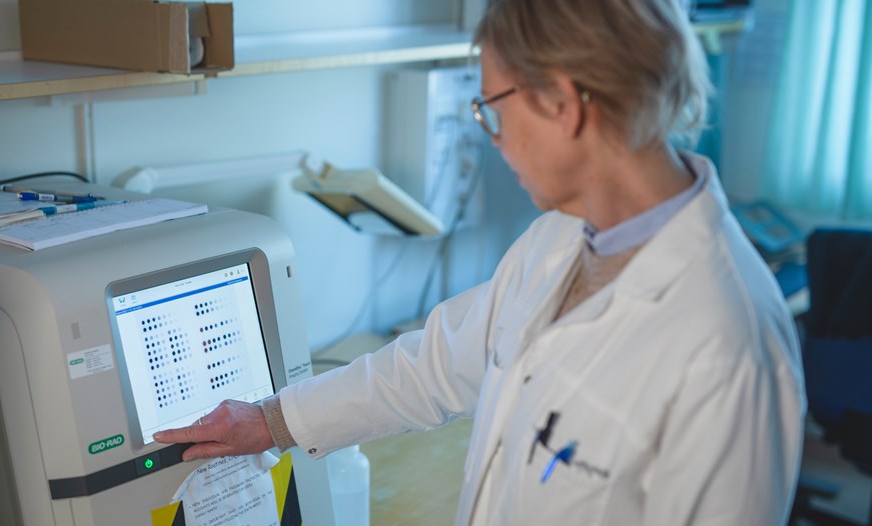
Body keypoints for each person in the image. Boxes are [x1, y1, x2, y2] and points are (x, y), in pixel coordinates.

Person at [155, 0, 807, 523]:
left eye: (491, 107)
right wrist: (269, 421)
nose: (489, 138)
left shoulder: (728, 345)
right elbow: (434, 366)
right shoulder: (556, 240)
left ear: (562, 101)